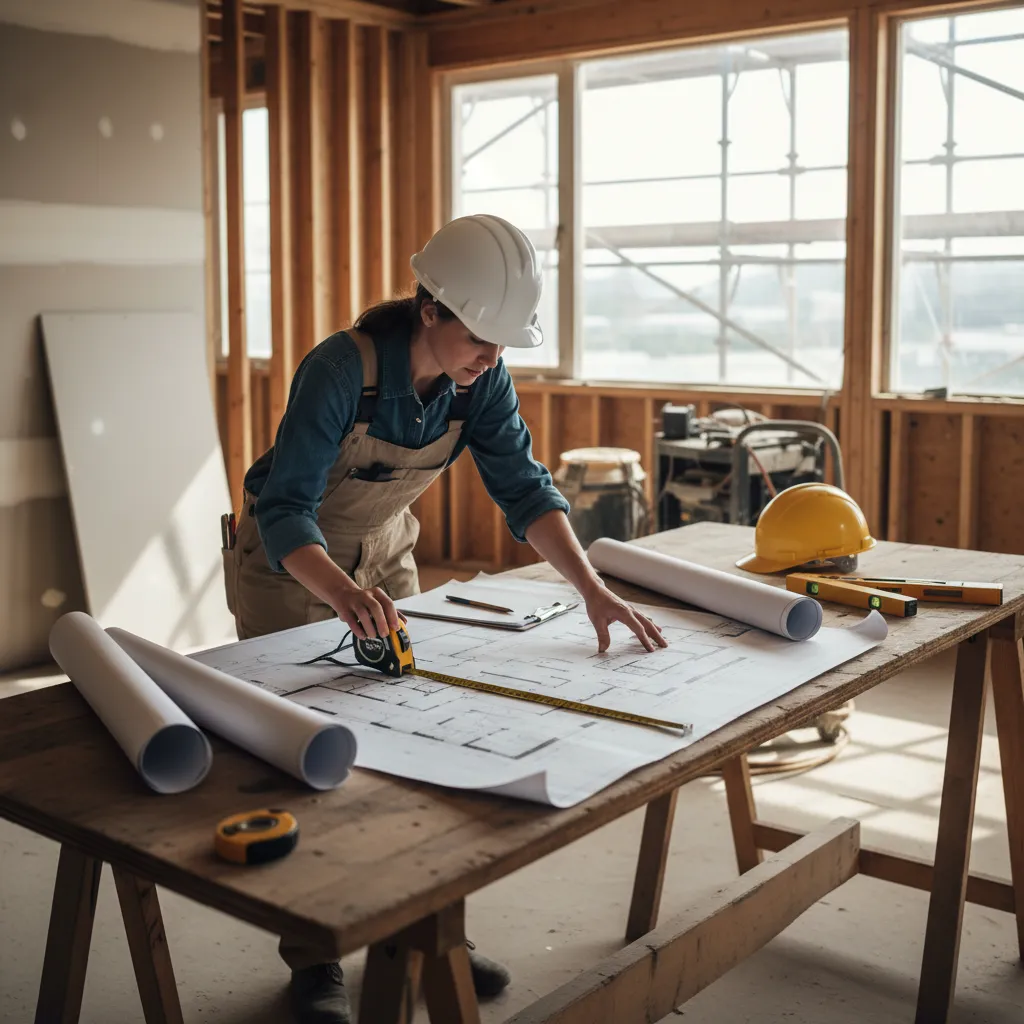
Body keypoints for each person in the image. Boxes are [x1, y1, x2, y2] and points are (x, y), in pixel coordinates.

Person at [224, 213, 666, 1024]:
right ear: (430, 308)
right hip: (292, 565)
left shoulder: (484, 380)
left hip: (387, 556)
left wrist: (591, 588)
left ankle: (434, 935)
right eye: (483, 337)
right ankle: (314, 955)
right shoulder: (337, 370)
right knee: (309, 762)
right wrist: (341, 595)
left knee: (410, 752)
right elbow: (286, 510)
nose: (494, 357)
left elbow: (526, 492)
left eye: (504, 342)